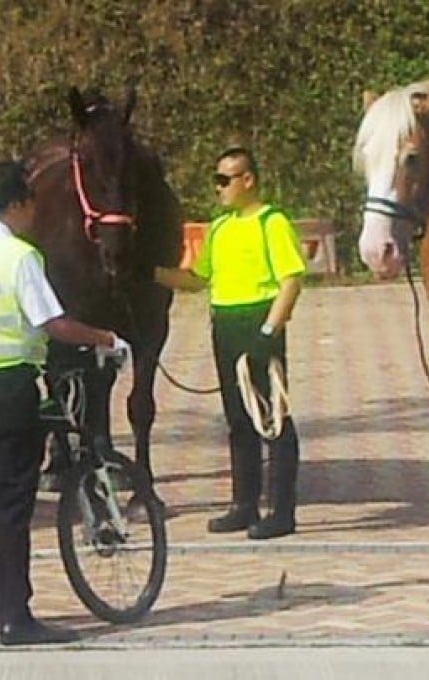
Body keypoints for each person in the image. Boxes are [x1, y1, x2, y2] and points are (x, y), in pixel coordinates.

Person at [0, 160, 131, 645]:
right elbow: (52, 323)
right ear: (17, 204)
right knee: (14, 504)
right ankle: (14, 617)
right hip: (8, 389)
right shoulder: (20, 256)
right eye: (30, 202)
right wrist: (106, 337)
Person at [151, 145, 305, 539]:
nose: (218, 188)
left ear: (247, 179)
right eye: (215, 180)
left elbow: (291, 279)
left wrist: (270, 331)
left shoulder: (271, 222)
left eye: (224, 180)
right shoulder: (219, 228)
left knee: (272, 417)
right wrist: (150, 274)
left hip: (259, 321)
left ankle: (282, 511)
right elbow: (198, 279)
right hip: (226, 325)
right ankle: (244, 503)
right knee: (238, 418)